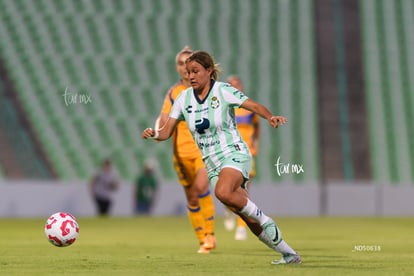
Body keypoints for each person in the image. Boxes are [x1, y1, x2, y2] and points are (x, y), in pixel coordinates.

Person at [142, 51, 301, 264]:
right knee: (246, 216)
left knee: (223, 192)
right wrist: (154, 134)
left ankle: (265, 218)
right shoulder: (182, 99)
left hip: (234, 153)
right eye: (188, 72)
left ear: (209, 71)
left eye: (196, 71)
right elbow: (165, 132)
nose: (191, 76)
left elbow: (252, 106)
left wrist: (269, 116)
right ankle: (289, 253)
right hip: (213, 163)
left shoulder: (222, 91)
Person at [156, 46, 216, 254]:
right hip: (181, 155)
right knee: (191, 197)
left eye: (188, 64)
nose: (185, 68)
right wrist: (159, 131)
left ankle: (210, 234)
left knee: (201, 187)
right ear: (177, 68)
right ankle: (202, 240)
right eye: (181, 64)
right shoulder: (174, 93)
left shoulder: (206, 88)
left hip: (203, 150)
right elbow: (164, 119)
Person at [223, 75, 260, 241]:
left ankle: (241, 227)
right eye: (232, 85)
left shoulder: (249, 107)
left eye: (238, 84)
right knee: (227, 190)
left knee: (244, 190)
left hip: (247, 153)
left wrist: (256, 142)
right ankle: (229, 210)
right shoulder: (224, 106)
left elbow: (257, 126)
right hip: (229, 152)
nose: (236, 87)